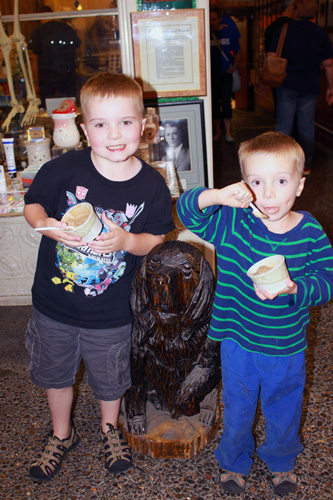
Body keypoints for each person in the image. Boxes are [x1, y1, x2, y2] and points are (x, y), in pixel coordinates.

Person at [23, 72, 175, 481]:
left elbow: (156, 239)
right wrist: (48, 225)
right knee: (56, 374)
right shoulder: (63, 169)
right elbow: (33, 204)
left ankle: (110, 428)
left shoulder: (152, 184)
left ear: (143, 126)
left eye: (125, 122)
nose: (114, 134)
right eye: (101, 124)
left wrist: (127, 240)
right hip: (55, 304)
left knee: (111, 377)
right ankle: (62, 433)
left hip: (112, 311)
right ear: (84, 129)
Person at [176, 131, 333, 497]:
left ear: (299, 184)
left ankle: (281, 460)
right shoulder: (233, 224)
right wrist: (215, 196)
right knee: (238, 405)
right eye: (257, 182)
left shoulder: (310, 232)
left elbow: (326, 281)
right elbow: (187, 213)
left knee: (284, 406)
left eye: (281, 181)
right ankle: (234, 460)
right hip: (239, 341)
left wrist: (295, 288)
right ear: (245, 185)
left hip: (286, 344)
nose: (270, 193)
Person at [268, 0, 333, 175]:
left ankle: (279, 164)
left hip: (287, 84)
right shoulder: (321, 34)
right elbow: (328, 64)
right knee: (306, 127)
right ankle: (306, 166)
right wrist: (330, 87)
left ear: (296, 10)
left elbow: (271, 56)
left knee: (283, 126)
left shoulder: (284, 30)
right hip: (310, 85)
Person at [29, 6, 81, 106]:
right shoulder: (66, 28)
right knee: (69, 108)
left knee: (50, 111)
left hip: (47, 80)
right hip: (68, 77)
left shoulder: (37, 32)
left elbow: (34, 60)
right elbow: (78, 51)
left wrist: (35, 83)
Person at [209, 5, 241, 143]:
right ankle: (217, 132)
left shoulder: (229, 33)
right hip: (212, 74)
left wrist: (234, 67)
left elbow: (238, 51)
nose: (212, 22)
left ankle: (227, 132)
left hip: (225, 73)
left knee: (227, 102)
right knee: (214, 103)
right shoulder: (206, 33)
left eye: (214, 19)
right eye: (209, 19)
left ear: (220, 19)